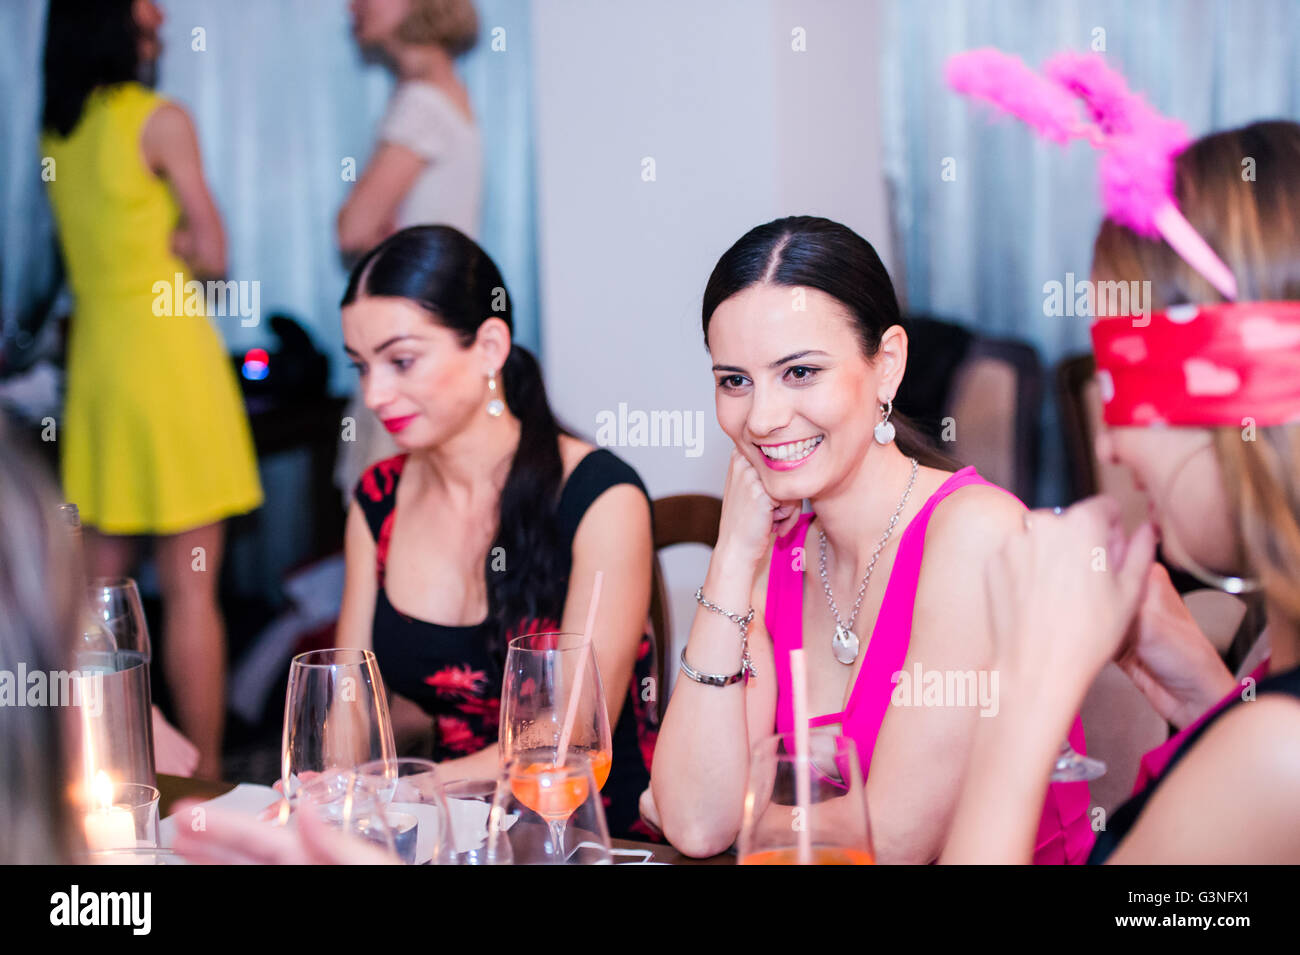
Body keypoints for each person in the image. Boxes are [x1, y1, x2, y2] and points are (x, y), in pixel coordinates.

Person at [650, 216, 1094, 863]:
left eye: (799, 372)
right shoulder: (775, 548)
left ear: (886, 364)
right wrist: (732, 556)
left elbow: (887, 845)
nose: (763, 417)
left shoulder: (976, 534)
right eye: (735, 380)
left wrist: (748, 800)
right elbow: (695, 822)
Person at [940, 81, 1300, 860]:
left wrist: (1027, 687)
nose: (1108, 447)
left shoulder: (1279, 761)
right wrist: (1215, 696)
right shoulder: (1276, 679)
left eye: (1128, 386)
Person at [334, 225, 659, 839]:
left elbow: (569, 739)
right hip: (447, 834)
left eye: (401, 360)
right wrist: (336, 785)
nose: (374, 394)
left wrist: (410, 789)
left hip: (584, 834)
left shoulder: (598, 495)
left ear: (489, 345)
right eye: (361, 366)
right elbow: (346, 692)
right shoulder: (377, 500)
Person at [41, 0, 263, 779]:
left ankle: (97, 770)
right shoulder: (161, 119)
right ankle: (196, 781)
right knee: (192, 587)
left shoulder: (58, 133)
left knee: (94, 589)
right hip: (166, 360)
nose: (160, 19)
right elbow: (214, 250)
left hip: (99, 368)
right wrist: (172, 238)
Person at [335, 0, 484, 500]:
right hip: (433, 324)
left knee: (389, 504)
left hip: (406, 333)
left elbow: (352, 228)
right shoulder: (446, 92)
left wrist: (370, 224)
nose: (353, 6)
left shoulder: (421, 102)